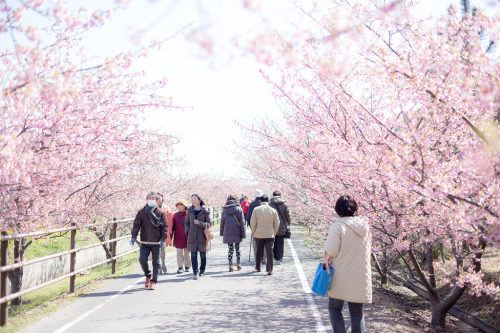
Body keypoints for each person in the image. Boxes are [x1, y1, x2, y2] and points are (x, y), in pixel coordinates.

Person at [324, 195, 372, 333]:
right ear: (355, 208)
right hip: (360, 275)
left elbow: (331, 250)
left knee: (334, 308)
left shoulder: (338, 226)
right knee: (357, 312)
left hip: (341, 274)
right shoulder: (365, 226)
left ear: (338, 209)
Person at [130, 191, 167, 290]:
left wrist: (163, 240)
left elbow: (164, 228)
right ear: (146, 199)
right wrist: (133, 237)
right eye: (149, 198)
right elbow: (136, 225)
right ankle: (148, 275)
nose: (151, 200)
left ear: (157, 200)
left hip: (156, 242)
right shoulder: (141, 212)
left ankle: (153, 281)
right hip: (144, 241)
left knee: (156, 262)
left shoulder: (160, 212)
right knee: (142, 260)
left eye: (153, 198)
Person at [250, 194, 280, 275]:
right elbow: (277, 223)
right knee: (270, 252)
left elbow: (252, 223)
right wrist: (274, 232)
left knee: (259, 251)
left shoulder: (256, 210)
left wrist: (254, 231)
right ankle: (269, 269)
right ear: (269, 201)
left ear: (260, 201)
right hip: (270, 234)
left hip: (259, 234)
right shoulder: (273, 210)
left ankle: (258, 267)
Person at [185, 194, 212, 280]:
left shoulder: (205, 210)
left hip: (202, 236)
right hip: (192, 236)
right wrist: (188, 230)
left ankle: (202, 270)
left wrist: (199, 223)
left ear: (199, 201)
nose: (193, 201)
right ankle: (195, 272)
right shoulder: (189, 210)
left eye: (194, 200)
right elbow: (186, 222)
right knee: (193, 255)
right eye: (192, 200)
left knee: (203, 255)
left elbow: (209, 224)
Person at [220, 195, 246, 272]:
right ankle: (238, 264)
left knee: (230, 249)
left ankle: (231, 265)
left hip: (228, 231)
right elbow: (242, 222)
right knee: (237, 248)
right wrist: (243, 233)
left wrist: (222, 232)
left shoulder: (225, 210)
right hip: (237, 231)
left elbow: (222, 222)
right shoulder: (239, 209)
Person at [269, 190, 291, 265]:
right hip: (282, 226)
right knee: (280, 243)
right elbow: (288, 215)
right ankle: (279, 258)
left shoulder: (270, 204)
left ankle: (274, 257)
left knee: (273, 242)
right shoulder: (284, 204)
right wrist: (288, 223)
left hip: (272, 226)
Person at [170, 199, 191, 274]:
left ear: (185, 206)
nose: (179, 207)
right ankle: (180, 267)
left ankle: (187, 266)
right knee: (179, 252)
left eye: (181, 205)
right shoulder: (175, 215)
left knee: (187, 252)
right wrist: (170, 237)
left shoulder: (189, 214)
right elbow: (172, 227)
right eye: (178, 205)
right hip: (178, 236)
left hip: (187, 236)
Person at [246, 189, 265, 262]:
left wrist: (250, 225)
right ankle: (263, 257)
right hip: (264, 225)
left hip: (255, 225)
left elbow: (248, 216)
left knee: (255, 242)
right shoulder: (264, 204)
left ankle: (257, 257)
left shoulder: (252, 204)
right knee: (264, 241)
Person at [157, 192, 173, 274]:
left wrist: (169, 232)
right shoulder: (151, 208)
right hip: (154, 232)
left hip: (163, 231)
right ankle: (158, 265)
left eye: (159, 198)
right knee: (156, 249)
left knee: (162, 248)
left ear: (162, 199)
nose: (158, 199)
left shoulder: (166, 208)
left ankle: (162, 264)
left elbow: (170, 221)